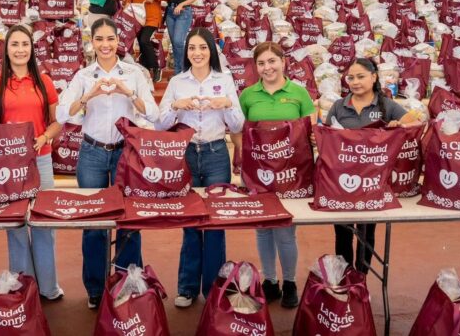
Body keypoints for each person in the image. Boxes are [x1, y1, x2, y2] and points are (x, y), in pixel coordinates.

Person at [56, 18, 159, 309]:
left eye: (110, 39)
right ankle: (95, 287)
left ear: (118, 41)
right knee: (93, 223)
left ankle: (129, 283)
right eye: (99, 39)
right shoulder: (83, 75)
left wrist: (129, 93)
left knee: (129, 220)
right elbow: (63, 115)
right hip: (92, 153)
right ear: (92, 43)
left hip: (125, 153)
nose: (105, 45)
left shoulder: (135, 74)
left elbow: (153, 114)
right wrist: (89, 95)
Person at [156, 27, 243, 307]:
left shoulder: (224, 79)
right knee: (191, 222)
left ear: (211, 51)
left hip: (217, 153)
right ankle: (187, 288)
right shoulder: (177, 81)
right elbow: (160, 123)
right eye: (192, 48)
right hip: (187, 154)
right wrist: (176, 106)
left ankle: (215, 288)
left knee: (215, 223)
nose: (197, 53)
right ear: (186, 52)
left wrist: (227, 103)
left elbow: (238, 124)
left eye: (203, 47)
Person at [0, 25, 65, 300]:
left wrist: (44, 137)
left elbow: (57, 123)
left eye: (25, 44)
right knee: (16, 226)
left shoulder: (44, 81)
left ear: (32, 48)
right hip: (8, 167)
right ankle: (24, 287)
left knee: (43, 223)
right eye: (14, 44)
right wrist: (5, 142)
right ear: (6, 50)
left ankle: (49, 288)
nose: (20, 50)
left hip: (41, 161)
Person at [238, 41, 317, 308]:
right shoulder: (248, 95)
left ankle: (290, 282)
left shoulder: (299, 93)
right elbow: (241, 131)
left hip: (292, 176)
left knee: (285, 232)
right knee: (263, 230)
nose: (267, 67)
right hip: (259, 175)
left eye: (272, 61)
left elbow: (310, 132)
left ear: (283, 62)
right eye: (261, 63)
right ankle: (270, 281)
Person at [325, 58, 419, 275]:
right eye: (351, 78)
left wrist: (399, 125)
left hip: (373, 182)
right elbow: (328, 136)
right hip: (342, 182)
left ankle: (362, 276)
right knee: (343, 232)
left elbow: (414, 122)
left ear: (374, 77)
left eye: (361, 76)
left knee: (367, 231)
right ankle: (346, 275)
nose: (355, 82)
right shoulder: (339, 106)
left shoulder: (387, 105)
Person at [129, 0, 169, 83]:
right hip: (139, 17)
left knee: (144, 40)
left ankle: (156, 68)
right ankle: (145, 69)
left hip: (152, 16)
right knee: (141, 44)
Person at [166, 0, 197, 77]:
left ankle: (183, 71)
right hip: (170, 13)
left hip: (183, 12)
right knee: (174, 44)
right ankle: (177, 72)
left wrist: (181, 4)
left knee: (178, 41)